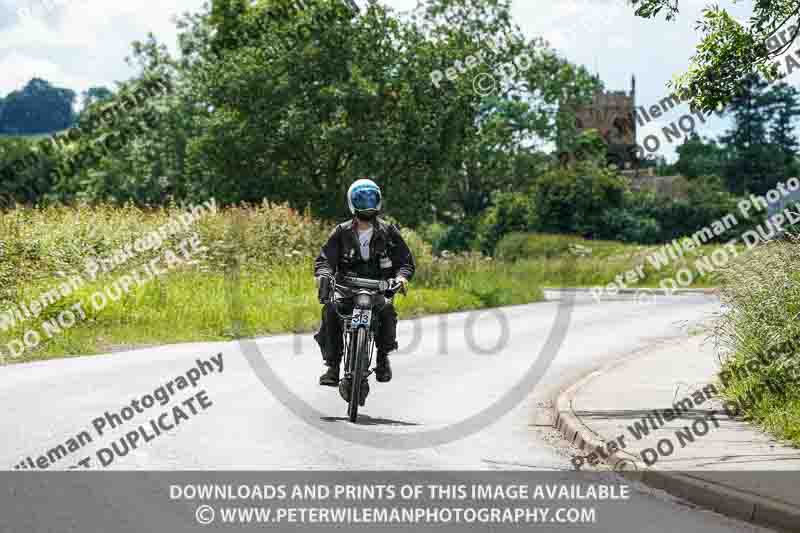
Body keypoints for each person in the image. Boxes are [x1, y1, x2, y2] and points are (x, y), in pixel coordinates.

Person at [313, 178, 415, 387]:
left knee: (387, 312)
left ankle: (382, 358)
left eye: (371, 199)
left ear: (378, 202)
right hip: (346, 290)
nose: (367, 204)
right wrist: (323, 275)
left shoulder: (389, 231)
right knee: (330, 311)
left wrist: (402, 277)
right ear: (352, 203)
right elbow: (325, 259)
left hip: (379, 290)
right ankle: (333, 367)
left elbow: (405, 261)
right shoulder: (341, 232)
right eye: (361, 199)